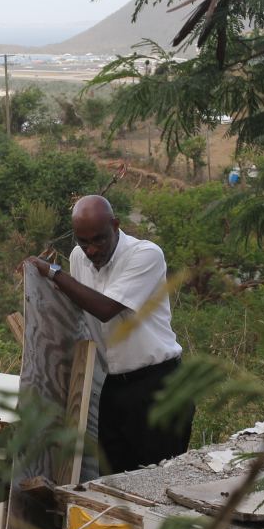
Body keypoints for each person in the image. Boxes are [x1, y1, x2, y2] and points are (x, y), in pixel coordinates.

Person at [26, 195, 194, 474]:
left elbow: (105, 308)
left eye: (99, 240)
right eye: (84, 242)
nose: (92, 250)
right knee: (111, 481)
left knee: (157, 480)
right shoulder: (79, 258)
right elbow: (76, 307)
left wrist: (53, 272)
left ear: (115, 225)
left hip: (158, 384)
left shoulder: (145, 254)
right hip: (113, 386)